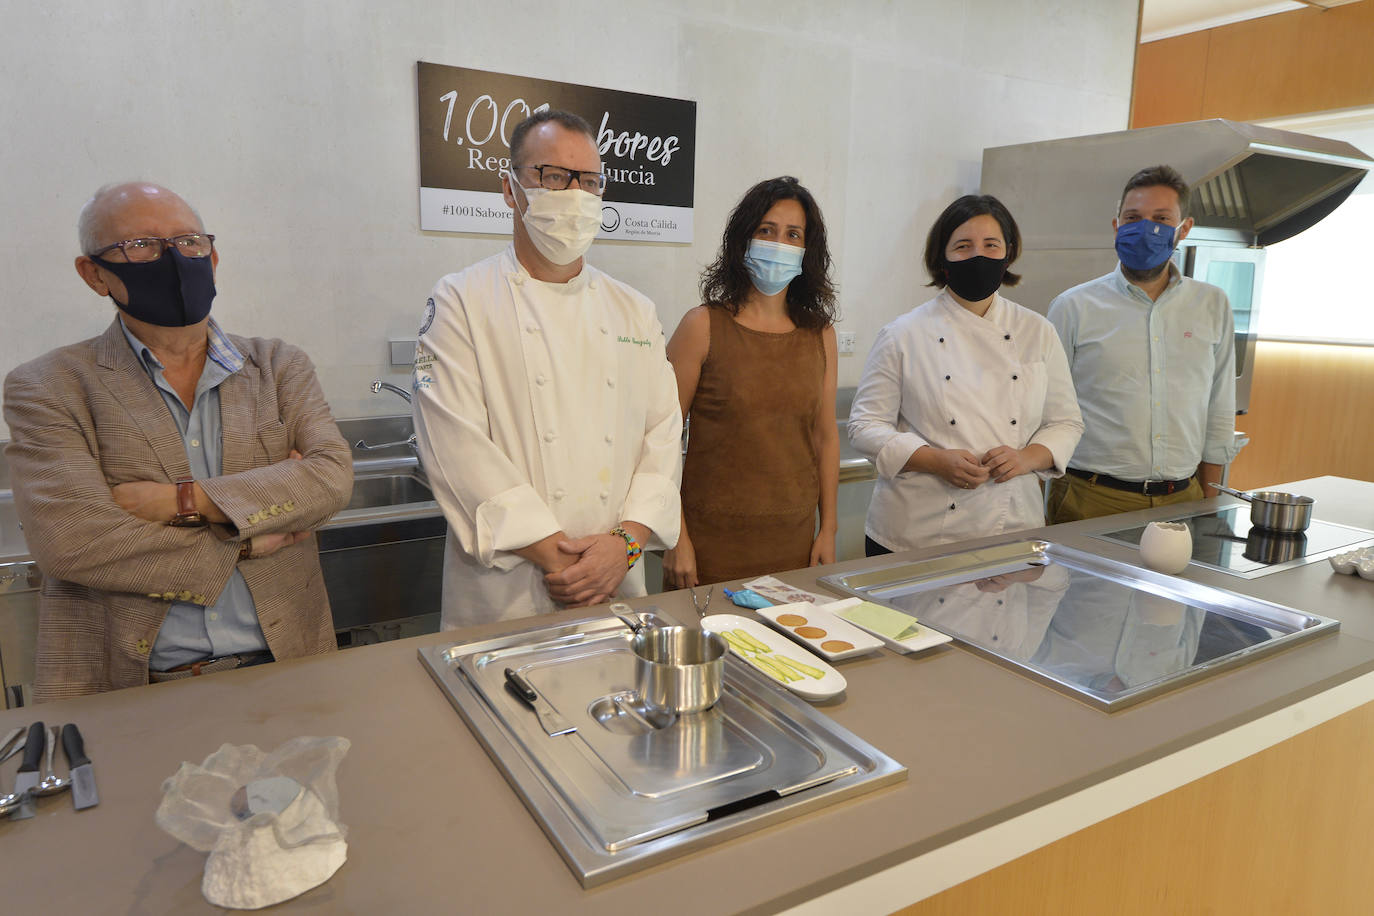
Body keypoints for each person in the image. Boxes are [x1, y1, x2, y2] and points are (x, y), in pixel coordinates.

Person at [3, 182, 352, 701]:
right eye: (140, 245)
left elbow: (330, 479)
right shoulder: (49, 386)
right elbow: (74, 542)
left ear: (213, 259)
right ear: (95, 274)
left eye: (189, 242)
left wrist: (184, 501)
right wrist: (249, 540)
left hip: (289, 661)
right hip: (129, 683)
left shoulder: (279, 366)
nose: (173, 259)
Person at [412, 110, 681, 628]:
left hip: (615, 583)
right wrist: (568, 565)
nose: (575, 195)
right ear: (510, 190)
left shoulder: (634, 310)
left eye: (589, 181)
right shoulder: (461, 301)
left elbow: (663, 435)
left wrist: (624, 546)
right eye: (554, 177)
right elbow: (455, 449)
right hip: (508, 595)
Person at [848, 194, 1083, 555]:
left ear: (1008, 254)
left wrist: (1026, 458)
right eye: (963, 246)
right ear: (942, 258)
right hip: (916, 533)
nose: (978, 256)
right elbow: (865, 426)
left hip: (1012, 525)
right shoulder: (903, 334)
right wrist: (934, 460)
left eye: (991, 245)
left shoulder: (1037, 331)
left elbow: (1065, 422)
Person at [663, 177, 839, 588]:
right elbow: (660, 438)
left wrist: (828, 528)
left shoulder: (820, 335)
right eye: (766, 230)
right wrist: (675, 536)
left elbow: (826, 437)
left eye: (792, 234)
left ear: (807, 249)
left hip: (794, 541)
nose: (779, 243)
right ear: (743, 239)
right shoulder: (702, 326)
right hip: (709, 544)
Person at [1046, 165, 1239, 523]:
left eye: (1161, 218)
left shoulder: (1212, 304)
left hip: (1184, 499)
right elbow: (1046, 410)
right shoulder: (1073, 307)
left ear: (1184, 229)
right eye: (1133, 218)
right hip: (1090, 498)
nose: (1145, 228)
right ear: (1117, 225)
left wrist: (1209, 501)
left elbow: (1220, 406)